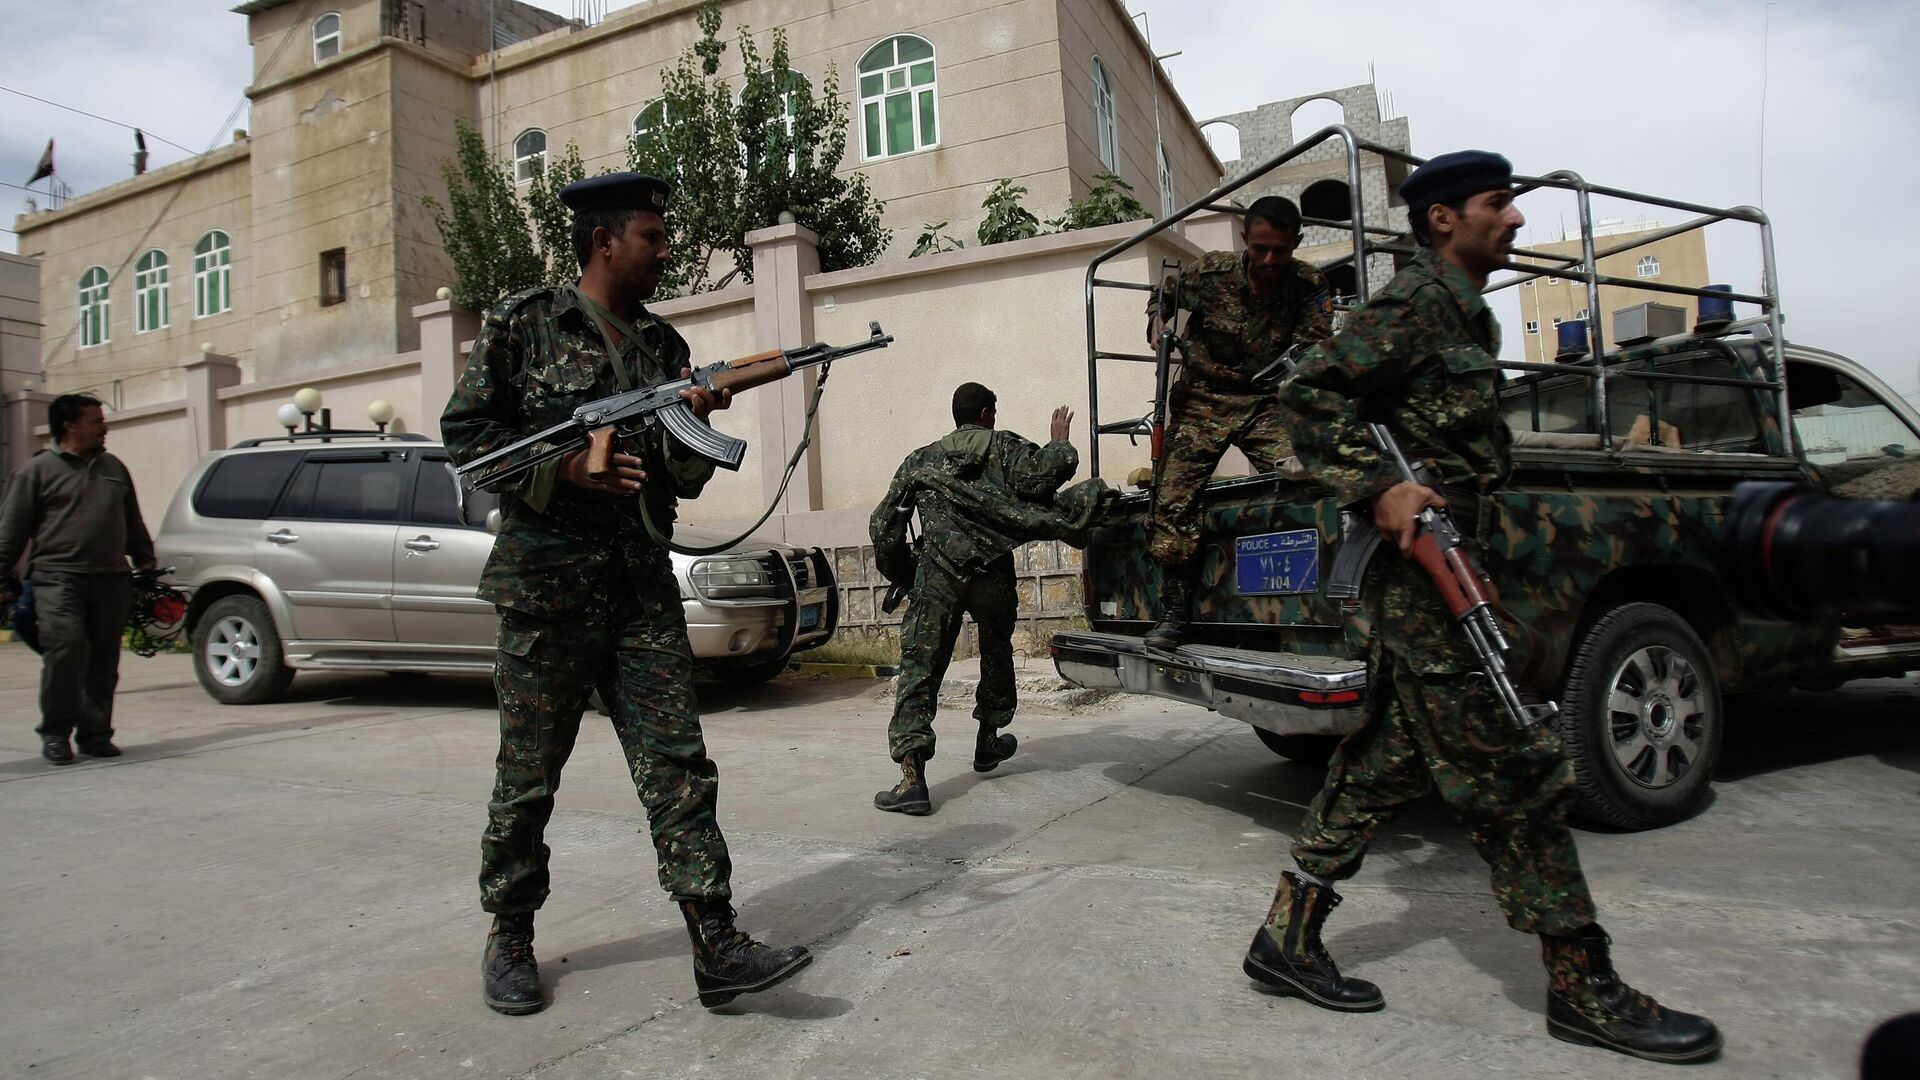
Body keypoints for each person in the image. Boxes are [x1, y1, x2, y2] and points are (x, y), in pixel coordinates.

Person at [1243, 151, 1722, 1064]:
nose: (1515, 219)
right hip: (1419, 575)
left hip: (1451, 561)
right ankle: (1583, 984)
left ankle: (1286, 938)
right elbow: (1310, 393)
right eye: (1497, 204)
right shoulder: (1415, 304)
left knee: (1382, 763)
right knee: (1515, 771)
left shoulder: (1470, 313)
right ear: (1442, 219)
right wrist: (1379, 486)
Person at [440, 173, 810, 1017]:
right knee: (528, 777)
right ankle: (509, 936)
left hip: (640, 589)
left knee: (679, 768)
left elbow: (679, 476)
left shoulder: (662, 346)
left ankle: (715, 941)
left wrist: (698, 416)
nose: (666, 251)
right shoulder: (526, 323)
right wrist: (569, 468)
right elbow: (469, 442)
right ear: (605, 241)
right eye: (653, 236)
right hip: (548, 590)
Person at [869, 383, 1078, 815]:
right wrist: (1059, 444)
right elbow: (1040, 478)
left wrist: (905, 573)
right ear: (985, 414)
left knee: (920, 668)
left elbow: (884, 526)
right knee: (996, 652)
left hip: (937, 576)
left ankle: (912, 779)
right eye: (993, 412)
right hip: (992, 572)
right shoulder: (1005, 448)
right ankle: (988, 741)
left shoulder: (921, 460)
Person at [1142, 195, 1334, 649]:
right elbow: (1164, 295)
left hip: (1264, 403)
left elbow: (1315, 350)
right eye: (1260, 248)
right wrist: (1157, 322)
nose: (1269, 260)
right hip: (1201, 401)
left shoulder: (1309, 285)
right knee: (1173, 500)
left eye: (1280, 250)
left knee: (1313, 475)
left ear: (1296, 243)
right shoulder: (1211, 273)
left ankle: (1324, 598)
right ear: (1245, 238)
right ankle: (1175, 612)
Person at [0, 393, 154, 765]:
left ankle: (95, 734)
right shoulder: (35, 471)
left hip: (111, 578)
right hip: (57, 577)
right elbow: (11, 530)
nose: (104, 427)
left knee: (103, 659)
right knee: (67, 648)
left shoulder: (114, 467)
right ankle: (55, 733)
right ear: (69, 426)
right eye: (96, 421)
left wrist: (145, 561)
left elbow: (132, 519)